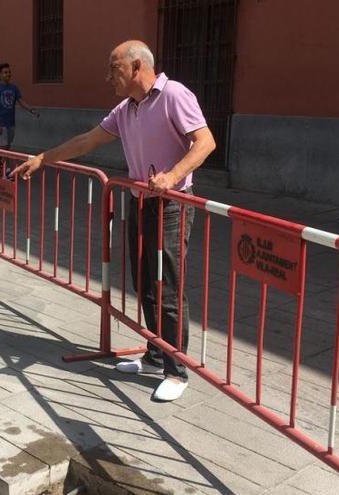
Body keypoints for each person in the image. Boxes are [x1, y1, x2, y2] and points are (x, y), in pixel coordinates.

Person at [12, 40, 216, 402]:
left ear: (137, 67)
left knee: (167, 286)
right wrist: (45, 157)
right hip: (141, 201)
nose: (109, 76)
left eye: (114, 68)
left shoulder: (174, 95)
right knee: (143, 282)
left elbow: (204, 143)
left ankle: (177, 369)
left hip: (171, 206)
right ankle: (155, 355)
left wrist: (171, 176)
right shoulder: (126, 109)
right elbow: (88, 140)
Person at [0, 63, 40, 177]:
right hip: (1, 123)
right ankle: (8, 170)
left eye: (9, 72)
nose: (8, 74)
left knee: (6, 146)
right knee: (5, 147)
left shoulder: (13, 88)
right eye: (5, 72)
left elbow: (20, 101)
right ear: (0, 74)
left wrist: (31, 110)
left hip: (11, 122)